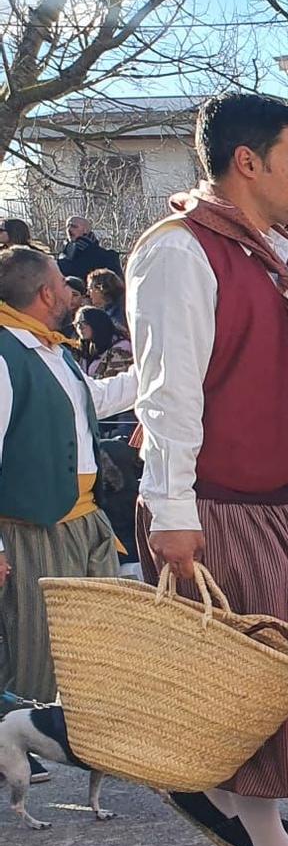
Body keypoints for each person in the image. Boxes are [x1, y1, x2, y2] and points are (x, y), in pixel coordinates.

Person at [127, 90, 288, 846]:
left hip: (274, 500)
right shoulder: (178, 250)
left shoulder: (260, 249)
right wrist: (172, 512)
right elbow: (169, 394)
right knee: (263, 672)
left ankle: (244, 811)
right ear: (247, 162)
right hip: (218, 503)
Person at [0, 246, 139, 704]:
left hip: (85, 520)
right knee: (35, 649)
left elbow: (91, 401)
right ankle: (14, 750)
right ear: (44, 293)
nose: (70, 293)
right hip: (32, 527)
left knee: (98, 642)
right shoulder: (5, 355)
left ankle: (80, 736)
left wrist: (160, 371)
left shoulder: (49, 350)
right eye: (62, 284)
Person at [56, 216, 119, 282]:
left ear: (85, 230)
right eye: (67, 226)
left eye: (74, 226)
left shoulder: (105, 257)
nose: (69, 229)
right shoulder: (64, 253)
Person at [85, 268, 126, 333]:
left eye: (90, 288)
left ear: (101, 289)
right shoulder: (103, 313)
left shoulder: (121, 313)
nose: (87, 293)